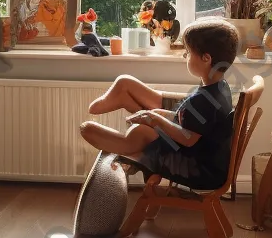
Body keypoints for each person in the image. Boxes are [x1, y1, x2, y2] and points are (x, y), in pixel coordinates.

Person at [79, 17, 238, 190]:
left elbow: (189, 139)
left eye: (189, 53)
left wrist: (155, 120)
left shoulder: (205, 100)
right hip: (202, 162)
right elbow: (192, 125)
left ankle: (135, 158)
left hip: (198, 170)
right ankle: (136, 153)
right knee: (142, 128)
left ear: (206, 58)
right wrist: (156, 116)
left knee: (90, 129)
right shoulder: (220, 88)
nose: (186, 56)